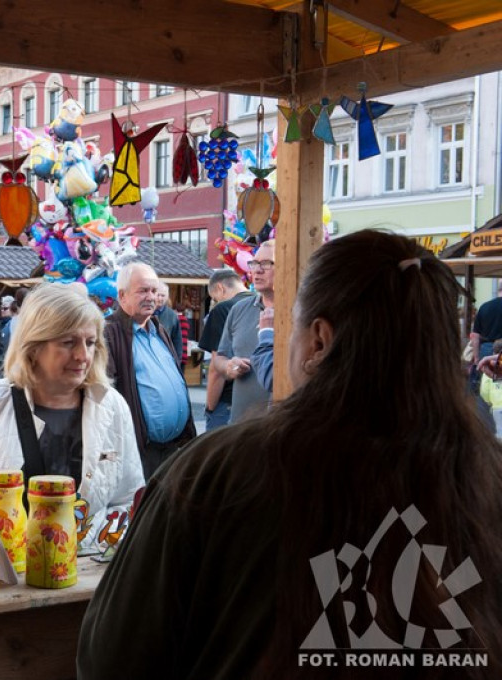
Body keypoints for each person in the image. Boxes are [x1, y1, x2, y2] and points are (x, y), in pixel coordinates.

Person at [79, 230, 502, 679]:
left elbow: (110, 657)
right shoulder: (487, 472)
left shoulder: (218, 474)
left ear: (319, 340)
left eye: (291, 324)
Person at [0, 284, 144, 552]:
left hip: (87, 578)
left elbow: (128, 500)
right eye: (68, 342)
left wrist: (101, 557)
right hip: (0, 577)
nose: (83, 356)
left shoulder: (112, 405)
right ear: (33, 346)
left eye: (90, 343)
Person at [104, 262, 195, 479]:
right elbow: (104, 395)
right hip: (140, 452)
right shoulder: (109, 333)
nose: (151, 297)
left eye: (154, 291)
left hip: (173, 448)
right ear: (122, 296)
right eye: (143, 290)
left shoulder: (158, 329)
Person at [213, 238, 275, 424]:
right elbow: (219, 358)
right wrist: (229, 366)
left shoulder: (299, 311)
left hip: (279, 428)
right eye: (254, 263)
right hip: (240, 426)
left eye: (266, 263)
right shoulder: (239, 309)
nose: (257, 270)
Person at [198, 269, 253, 430]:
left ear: (221, 288)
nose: (216, 302)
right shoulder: (261, 304)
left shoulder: (222, 310)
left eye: (215, 298)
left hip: (227, 402)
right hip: (259, 399)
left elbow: (217, 368)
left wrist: (210, 406)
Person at [153, 281, 183, 368]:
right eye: (157, 295)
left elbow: (177, 341)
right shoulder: (145, 313)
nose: (160, 298)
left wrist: (177, 362)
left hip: (166, 360)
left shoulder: (172, 316)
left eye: (163, 295)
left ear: (167, 297)